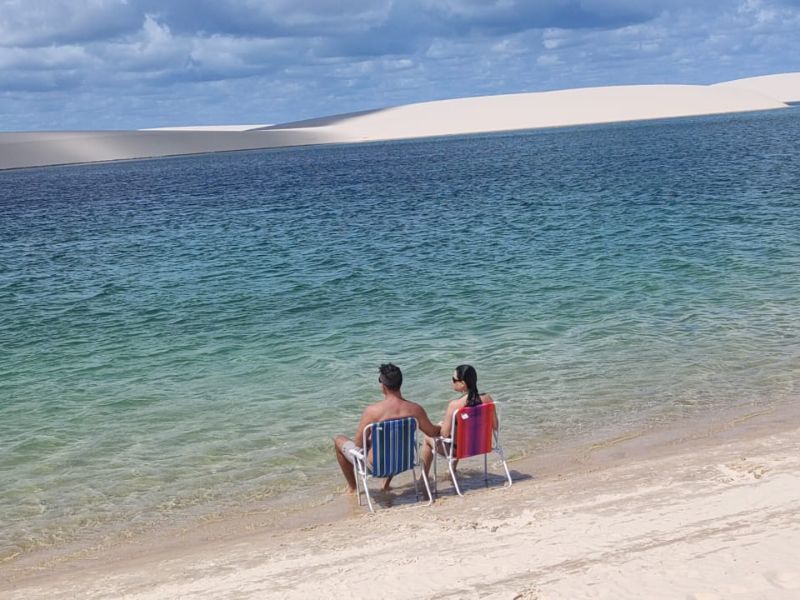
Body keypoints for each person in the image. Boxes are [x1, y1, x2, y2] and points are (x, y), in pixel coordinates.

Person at [334, 363, 441, 492]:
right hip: (403, 462)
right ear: (400, 383)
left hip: (375, 467)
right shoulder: (415, 410)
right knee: (394, 440)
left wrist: (370, 442)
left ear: (383, 385)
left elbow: (358, 444)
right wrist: (444, 425)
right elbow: (432, 432)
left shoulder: (372, 412)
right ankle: (385, 485)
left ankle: (353, 488)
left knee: (339, 440)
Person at [420, 364, 498, 476]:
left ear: (462, 384)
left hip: (459, 450)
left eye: (454, 380)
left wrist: (440, 426)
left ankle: (424, 478)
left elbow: (445, 434)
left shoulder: (455, 405)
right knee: (460, 430)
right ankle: (452, 470)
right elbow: (495, 426)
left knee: (427, 437)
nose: (452, 382)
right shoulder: (487, 399)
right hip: (481, 446)